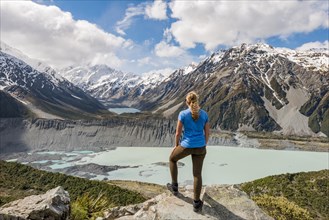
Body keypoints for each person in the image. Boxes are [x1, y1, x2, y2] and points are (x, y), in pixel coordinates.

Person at [167, 91, 210, 213]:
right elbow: (207, 133)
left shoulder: (183, 114)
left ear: (187, 102)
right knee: (197, 174)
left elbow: (178, 133)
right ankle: (196, 203)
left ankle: (174, 187)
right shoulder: (204, 114)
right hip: (201, 147)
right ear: (197, 100)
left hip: (186, 146)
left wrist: (176, 146)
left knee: (172, 159)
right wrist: (203, 144)